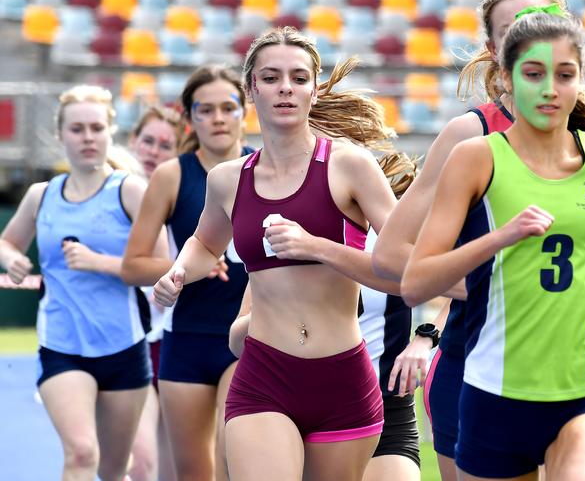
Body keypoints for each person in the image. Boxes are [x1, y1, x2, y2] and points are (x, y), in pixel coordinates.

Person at [401, 10, 585, 480]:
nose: (550, 89)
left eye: (565, 74)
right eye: (534, 74)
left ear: (580, 81)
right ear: (506, 79)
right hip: (494, 394)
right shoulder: (475, 158)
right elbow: (415, 282)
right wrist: (500, 238)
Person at [153, 26, 401, 481]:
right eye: (270, 78)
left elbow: (407, 269)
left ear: (314, 87)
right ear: (251, 89)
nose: (285, 87)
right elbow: (206, 243)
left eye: (298, 77)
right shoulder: (228, 179)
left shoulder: (350, 166)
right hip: (263, 373)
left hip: (343, 378)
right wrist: (179, 272)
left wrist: (317, 247)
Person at [0, 85, 167, 481]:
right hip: (62, 344)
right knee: (80, 452)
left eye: (96, 127)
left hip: (124, 347)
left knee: (115, 470)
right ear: (60, 135)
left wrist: (100, 263)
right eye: (77, 129)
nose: (88, 137)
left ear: (110, 132)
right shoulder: (41, 196)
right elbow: (7, 241)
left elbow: (162, 265)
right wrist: (13, 259)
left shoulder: (129, 190)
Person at [228, 153, 421, 481]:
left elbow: (438, 281)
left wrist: (425, 337)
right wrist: (271, 321)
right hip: (283, 384)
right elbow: (236, 340)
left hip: (380, 397)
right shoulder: (291, 240)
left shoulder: (394, 237)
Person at [121, 65, 253, 481]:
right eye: (206, 109)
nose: (217, 118)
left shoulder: (267, 169)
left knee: (235, 457)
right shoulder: (172, 176)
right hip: (186, 342)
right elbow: (133, 265)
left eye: (228, 107)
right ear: (190, 117)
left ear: (244, 111)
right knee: (193, 473)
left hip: (249, 336)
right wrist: (184, 270)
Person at [127, 105, 184, 481]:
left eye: (165, 145)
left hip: (180, 342)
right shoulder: (113, 197)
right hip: (130, 344)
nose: (153, 151)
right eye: (147, 141)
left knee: (177, 467)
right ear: (133, 142)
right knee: (140, 463)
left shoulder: (190, 202)